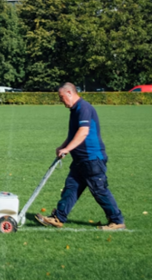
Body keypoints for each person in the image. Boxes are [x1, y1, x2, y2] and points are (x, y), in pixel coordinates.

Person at [35, 83, 125, 230]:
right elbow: (73, 135)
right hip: (80, 160)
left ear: (69, 93)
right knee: (71, 187)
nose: (61, 100)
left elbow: (83, 132)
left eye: (61, 97)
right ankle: (58, 217)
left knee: (99, 190)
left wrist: (67, 149)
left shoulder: (84, 108)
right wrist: (63, 146)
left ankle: (117, 221)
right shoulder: (75, 110)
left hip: (92, 159)